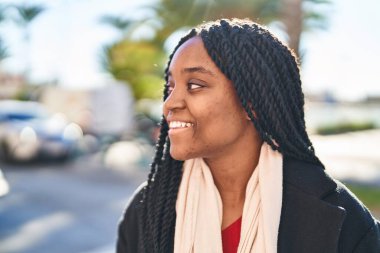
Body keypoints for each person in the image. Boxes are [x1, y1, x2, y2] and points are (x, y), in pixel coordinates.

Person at [116, 18, 380, 253]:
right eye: (170, 87)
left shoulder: (344, 221)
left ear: (251, 102)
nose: (169, 104)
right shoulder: (147, 210)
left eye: (195, 85)